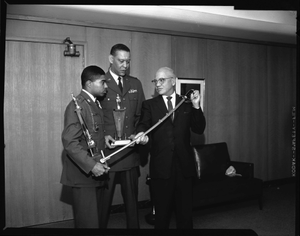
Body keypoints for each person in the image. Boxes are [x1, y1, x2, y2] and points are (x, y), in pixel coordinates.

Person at [135, 67, 206, 229]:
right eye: (155, 81)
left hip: (184, 167)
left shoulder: (186, 103)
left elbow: (199, 129)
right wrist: (141, 134)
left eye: (162, 80)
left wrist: (196, 106)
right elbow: (143, 124)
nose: (157, 84)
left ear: (173, 81)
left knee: (185, 214)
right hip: (161, 167)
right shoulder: (149, 105)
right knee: (162, 215)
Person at [98, 44, 145, 228]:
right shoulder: (101, 82)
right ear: (111, 59)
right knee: (103, 204)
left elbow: (142, 116)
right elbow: (95, 117)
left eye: (128, 61)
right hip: (108, 154)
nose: (125, 65)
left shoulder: (135, 83)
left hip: (129, 153)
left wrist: (139, 131)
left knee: (132, 204)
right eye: (121, 61)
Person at [60, 65, 110, 228]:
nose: (106, 86)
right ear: (89, 84)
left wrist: (105, 137)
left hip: (96, 174)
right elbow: (70, 142)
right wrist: (92, 165)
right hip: (84, 176)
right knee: (88, 224)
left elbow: (90, 132)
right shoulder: (78, 105)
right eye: (102, 82)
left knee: (98, 222)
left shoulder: (94, 103)